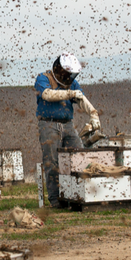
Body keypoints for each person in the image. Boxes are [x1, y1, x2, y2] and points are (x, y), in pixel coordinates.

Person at [35, 54, 101, 205]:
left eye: (70, 74)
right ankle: (55, 200)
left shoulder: (72, 83)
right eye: (66, 73)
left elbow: (81, 98)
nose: (67, 77)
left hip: (68, 124)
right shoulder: (43, 78)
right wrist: (70, 93)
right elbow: (47, 94)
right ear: (58, 69)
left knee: (79, 156)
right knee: (52, 162)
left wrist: (93, 114)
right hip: (48, 124)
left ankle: (76, 195)